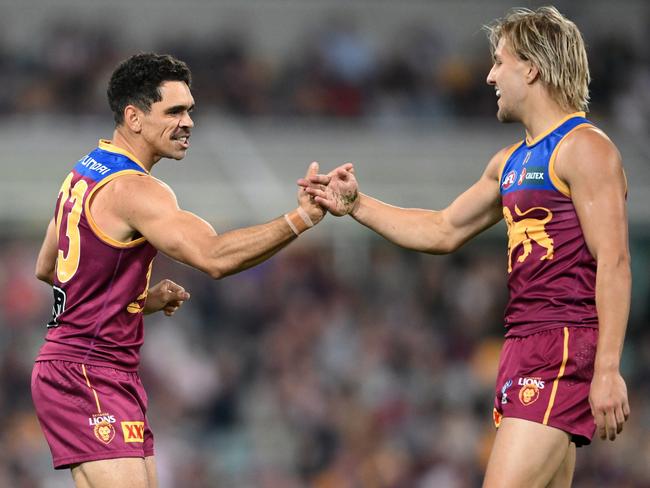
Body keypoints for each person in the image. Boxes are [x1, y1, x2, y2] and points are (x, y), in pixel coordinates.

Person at [302, 6, 631, 487]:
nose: (489, 75)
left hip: (563, 343)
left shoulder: (585, 149)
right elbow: (442, 229)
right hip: (522, 345)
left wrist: (607, 369)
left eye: (500, 62)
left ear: (532, 67)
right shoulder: (510, 162)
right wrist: (357, 205)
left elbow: (615, 261)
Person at [31, 52, 324, 488]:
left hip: (99, 368)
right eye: (174, 111)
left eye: (190, 110)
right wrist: (300, 219)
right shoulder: (137, 190)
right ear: (134, 116)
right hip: (87, 372)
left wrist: (138, 300)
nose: (188, 122)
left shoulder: (84, 171)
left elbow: (48, 267)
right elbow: (215, 257)